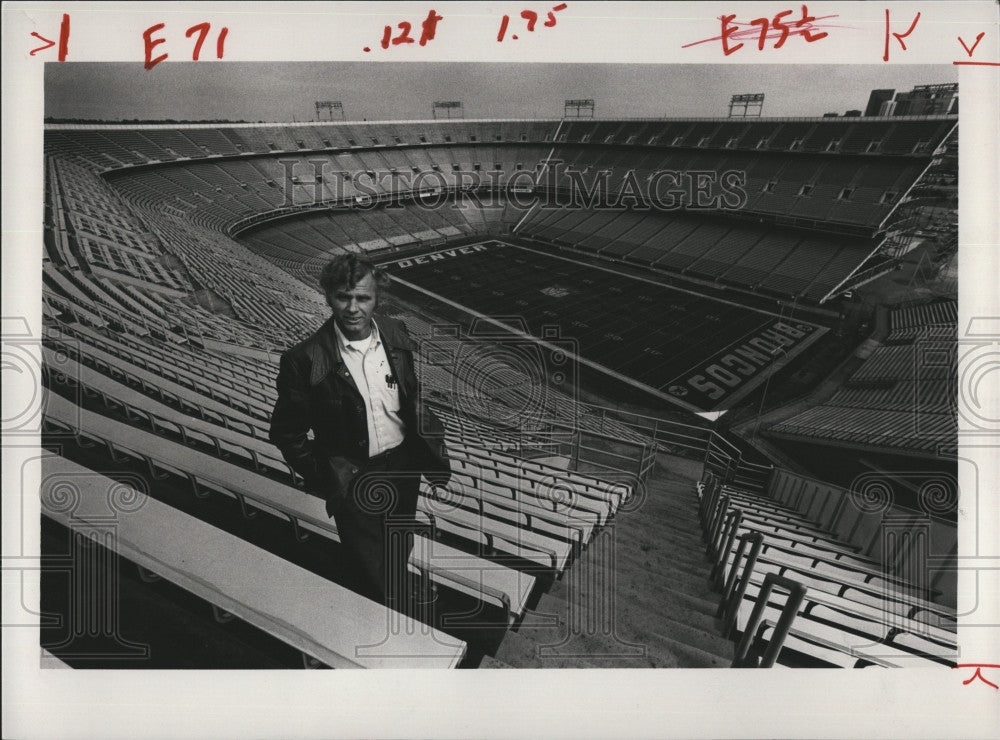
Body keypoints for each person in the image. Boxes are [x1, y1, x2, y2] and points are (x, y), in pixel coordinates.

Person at [269, 254, 450, 611]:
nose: (353, 308)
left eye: (363, 298)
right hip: (354, 472)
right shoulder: (303, 358)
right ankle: (388, 614)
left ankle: (394, 587)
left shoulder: (395, 332)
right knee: (367, 557)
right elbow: (286, 433)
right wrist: (327, 477)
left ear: (377, 297)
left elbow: (409, 391)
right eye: (343, 297)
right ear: (327, 296)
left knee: (399, 539)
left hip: (403, 463)